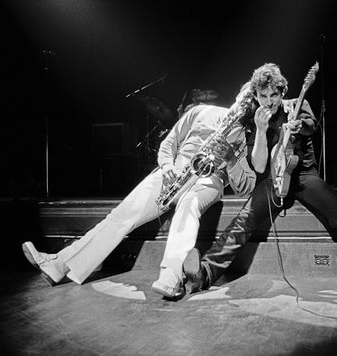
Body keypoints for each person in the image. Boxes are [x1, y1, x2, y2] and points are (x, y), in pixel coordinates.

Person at [183, 63, 337, 296]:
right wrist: (259, 129)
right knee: (242, 222)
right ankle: (203, 274)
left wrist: (299, 126)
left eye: (274, 95)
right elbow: (258, 166)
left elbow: (312, 126)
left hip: (304, 178)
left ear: (282, 91)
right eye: (263, 96)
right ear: (256, 96)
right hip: (272, 181)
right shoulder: (254, 120)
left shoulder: (297, 105)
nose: (269, 101)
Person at [21, 93, 257, 299]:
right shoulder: (199, 111)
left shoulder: (245, 137)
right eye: (246, 101)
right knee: (121, 215)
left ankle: (171, 277)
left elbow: (244, 187)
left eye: (251, 106)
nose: (246, 108)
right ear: (239, 97)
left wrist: (231, 159)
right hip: (175, 170)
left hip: (209, 179)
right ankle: (59, 264)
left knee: (188, 208)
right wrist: (167, 167)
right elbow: (168, 144)